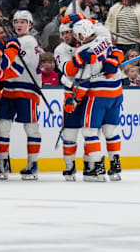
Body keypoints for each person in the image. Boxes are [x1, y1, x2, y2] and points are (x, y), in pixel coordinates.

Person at [63, 19, 124, 181]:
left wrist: (74, 101)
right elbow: (118, 51)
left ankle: (96, 168)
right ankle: (115, 165)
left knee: (89, 131)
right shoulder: (104, 36)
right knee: (110, 130)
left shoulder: (82, 52)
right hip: (117, 91)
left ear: (81, 35)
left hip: (98, 94)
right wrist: (113, 60)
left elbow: (84, 83)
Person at [0, 10, 42, 180]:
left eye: (23, 22)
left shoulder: (28, 41)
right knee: (2, 126)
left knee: (31, 128)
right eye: (16, 22)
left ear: (30, 24)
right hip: (9, 89)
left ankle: (32, 163)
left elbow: (17, 68)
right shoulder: (15, 41)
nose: (19, 25)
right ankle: (2, 164)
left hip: (26, 89)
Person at [54, 14, 83, 180]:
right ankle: (69, 165)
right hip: (71, 93)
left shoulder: (87, 44)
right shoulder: (60, 50)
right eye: (63, 33)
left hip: (87, 92)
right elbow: (68, 71)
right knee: (70, 132)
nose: (66, 36)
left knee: (89, 131)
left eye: (69, 32)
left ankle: (91, 164)